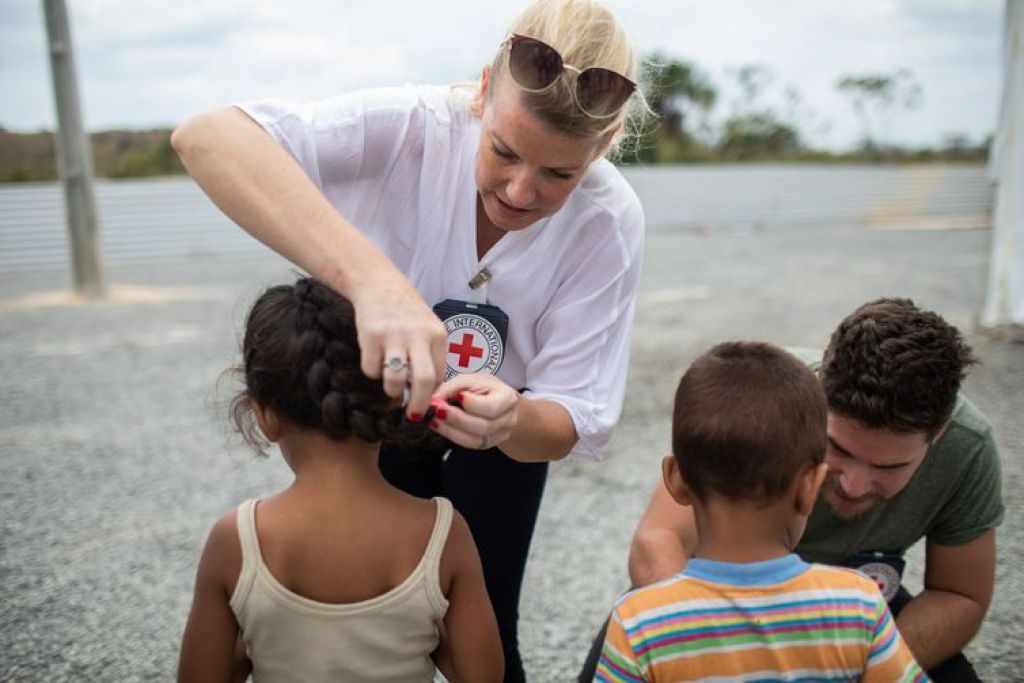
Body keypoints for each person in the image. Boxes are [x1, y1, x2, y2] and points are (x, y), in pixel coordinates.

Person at [172, 1, 645, 678]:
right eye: (504, 151)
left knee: (488, 623)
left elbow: (571, 417)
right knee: (353, 610)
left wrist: (512, 417)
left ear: (604, 144)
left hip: (499, 441)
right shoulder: (409, 126)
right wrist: (372, 280)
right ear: (483, 92)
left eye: (558, 175)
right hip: (373, 403)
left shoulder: (610, 223)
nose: (519, 191)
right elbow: (206, 138)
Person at [585, 298, 1003, 682]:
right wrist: (713, 648)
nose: (854, 485)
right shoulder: (763, 396)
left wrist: (853, 659)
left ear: (940, 432)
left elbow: (959, 593)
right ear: (817, 389)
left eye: (888, 466)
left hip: (855, 615)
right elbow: (660, 537)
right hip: (710, 596)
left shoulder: (969, 448)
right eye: (836, 449)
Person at [177, 277, 503, 682]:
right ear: (390, 399)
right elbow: (484, 677)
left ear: (264, 415)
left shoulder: (236, 541)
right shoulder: (442, 533)